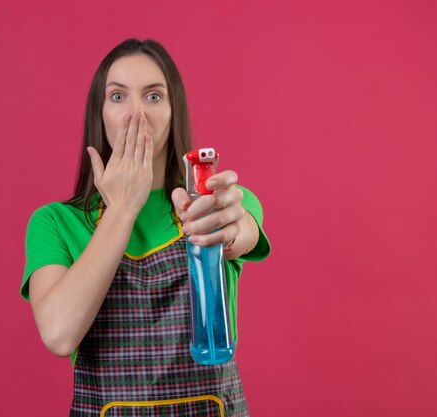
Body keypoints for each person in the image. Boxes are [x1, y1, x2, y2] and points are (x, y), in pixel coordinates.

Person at [21, 38, 271, 417]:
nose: (135, 113)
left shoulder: (211, 203)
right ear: (99, 113)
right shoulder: (55, 223)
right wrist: (123, 207)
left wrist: (230, 228)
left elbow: (238, 231)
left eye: (153, 97)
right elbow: (59, 333)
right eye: (118, 97)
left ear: (174, 113)